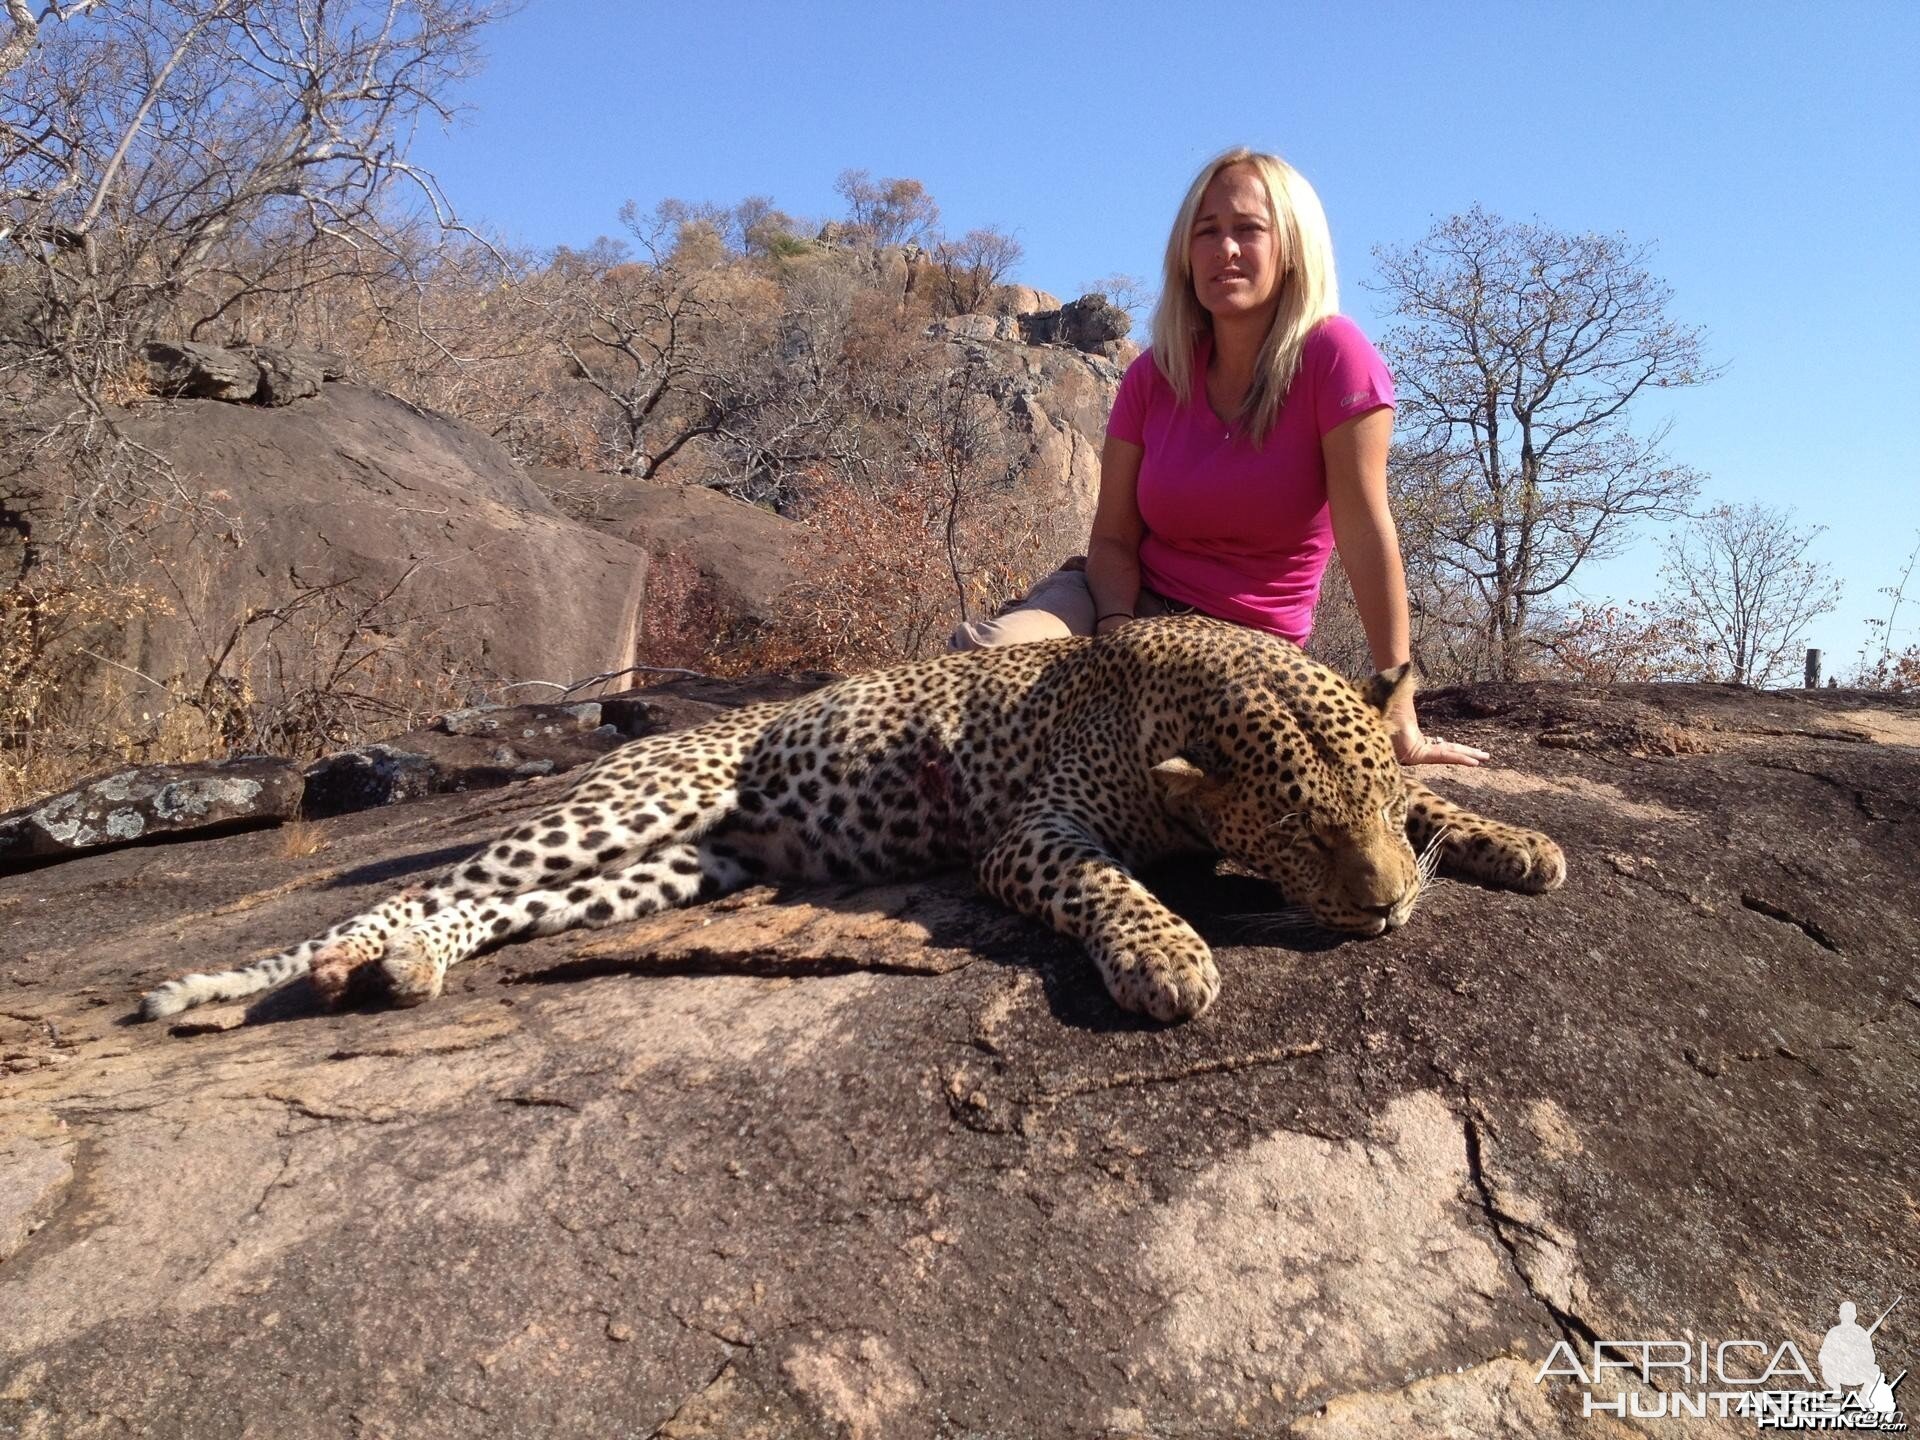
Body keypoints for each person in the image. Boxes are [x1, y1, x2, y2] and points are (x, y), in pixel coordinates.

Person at [949, 147, 1483, 767]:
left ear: (1292, 245)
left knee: (1163, 766)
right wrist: (1119, 628)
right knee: (982, 670)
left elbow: (1365, 533)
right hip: (1120, 604)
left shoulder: (1336, 356)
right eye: (1207, 233)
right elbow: (1114, 538)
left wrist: (1398, 712)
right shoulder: (1153, 373)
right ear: (1186, 254)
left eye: (1248, 230)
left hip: (1244, 647)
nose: (1224, 249)